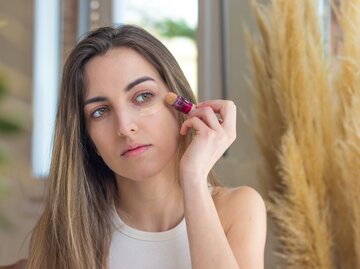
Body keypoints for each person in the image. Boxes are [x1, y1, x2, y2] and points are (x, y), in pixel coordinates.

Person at [6, 25, 267, 269]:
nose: (124, 126)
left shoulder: (237, 209)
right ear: (88, 140)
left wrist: (194, 177)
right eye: (100, 111)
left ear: (179, 105)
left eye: (143, 97)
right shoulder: (69, 229)